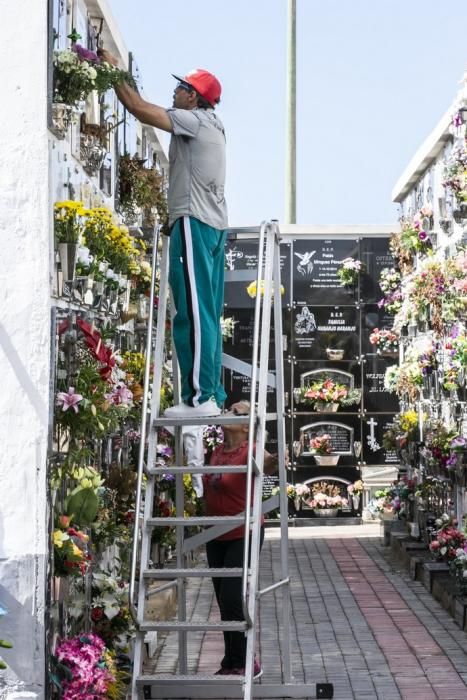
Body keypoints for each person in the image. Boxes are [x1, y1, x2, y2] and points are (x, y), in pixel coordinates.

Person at [99, 50, 228, 419]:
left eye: (181, 87)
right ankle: (205, 395)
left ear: (194, 96)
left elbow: (139, 109)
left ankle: (201, 398)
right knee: (199, 312)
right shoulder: (214, 125)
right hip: (210, 225)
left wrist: (113, 71)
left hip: (194, 223)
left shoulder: (195, 121)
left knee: (194, 311)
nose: (174, 91)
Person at [204, 400, 279, 677]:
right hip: (214, 533)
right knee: (223, 600)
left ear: (249, 427)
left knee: (233, 596)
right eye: (230, 409)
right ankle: (230, 661)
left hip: (242, 532)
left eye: (237, 412)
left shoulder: (252, 451)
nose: (229, 413)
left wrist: (278, 456)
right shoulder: (215, 451)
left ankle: (247, 658)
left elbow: (268, 465)